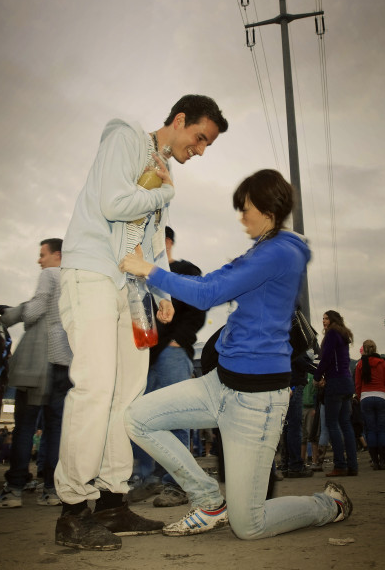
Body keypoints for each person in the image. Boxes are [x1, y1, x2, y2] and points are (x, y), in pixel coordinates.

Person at [120, 169, 352, 541]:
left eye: (245, 208)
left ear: (268, 208)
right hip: (218, 385)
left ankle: (329, 506)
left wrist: (148, 271)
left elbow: (209, 293)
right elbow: (207, 281)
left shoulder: (281, 252)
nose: (241, 216)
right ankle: (209, 502)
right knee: (138, 418)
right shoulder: (262, 248)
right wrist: (160, 209)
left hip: (256, 403)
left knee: (249, 525)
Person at [55, 95, 229, 551]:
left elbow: (149, 240)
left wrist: (162, 293)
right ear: (179, 120)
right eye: (200, 138)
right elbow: (115, 203)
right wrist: (167, 192)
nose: (200, 150)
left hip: (131, 290)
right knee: (95, 387)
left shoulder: (160, 170)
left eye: (207, 144)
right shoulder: (126, 136)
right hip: (93, 271)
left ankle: (112, 503)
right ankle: (73, 510)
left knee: (128, 397)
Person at [0, 238, 73, 509]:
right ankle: (52, 489)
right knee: (55, 427)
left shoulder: (49, 275)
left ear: (56, 255)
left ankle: (14, 489)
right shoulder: (75, 278)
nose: (39, 260)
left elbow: (36, 311)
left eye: (42, 254)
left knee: (25, 426)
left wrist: (10, 314)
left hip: (41, 362)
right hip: (66, 361)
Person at [129, 226, 206, 508]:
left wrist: (178, 340)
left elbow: (198, 308)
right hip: (143, 355)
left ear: (166, 241)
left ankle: (177, 484)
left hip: (171, 353)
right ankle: (145, 479)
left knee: (177, 416)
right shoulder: (140, 275)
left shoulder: (185, 270)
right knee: (139, 418)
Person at [314, 311, 358, 477]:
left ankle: (340, 464)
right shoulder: (343, 334)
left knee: (332, 424)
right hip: (347, 381)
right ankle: (352, 465)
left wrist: (318, 376)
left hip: (335, 381)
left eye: (325, 318)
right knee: (345, 424)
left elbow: (326, 357)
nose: (323, 321)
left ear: (332, 320)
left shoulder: (332, 333)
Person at [354, 340, 385, 470]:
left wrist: (361, 398)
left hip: (366, 398)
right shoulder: (382, 363)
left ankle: (375, 460)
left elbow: (358, 385)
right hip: (382, 397)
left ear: (364, 350)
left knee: (370, 430)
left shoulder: (360, 364)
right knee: (382, 429)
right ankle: (383, 460)